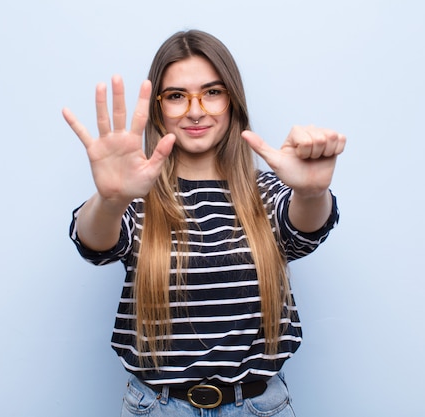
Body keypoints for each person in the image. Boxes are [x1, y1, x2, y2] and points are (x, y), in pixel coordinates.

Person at [62, 29, 346, 417]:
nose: (196, 111)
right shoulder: (136, 196)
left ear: (232, 100)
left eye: (212, 92)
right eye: (177, 96)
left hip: (259, 407)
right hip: (157, 408)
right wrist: (111, 200)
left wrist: (312, 192)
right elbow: (93, 242)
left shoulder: (267, 193)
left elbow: (304, 227)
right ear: (159, 107)